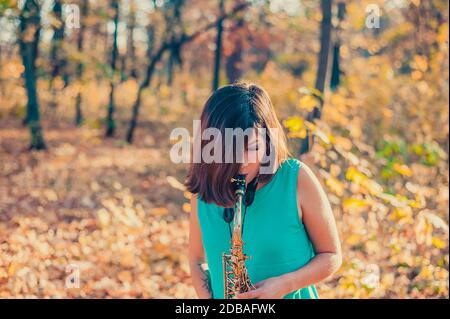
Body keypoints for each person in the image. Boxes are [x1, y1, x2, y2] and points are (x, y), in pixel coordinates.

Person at [185, 81, 342, 299]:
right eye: (230, 150)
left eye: (253, 148)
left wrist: (286, 284)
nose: (242, 162)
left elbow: (332, 255)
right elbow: (196, 259)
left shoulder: (295, 178)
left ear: (268, 141)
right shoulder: (203, 190)